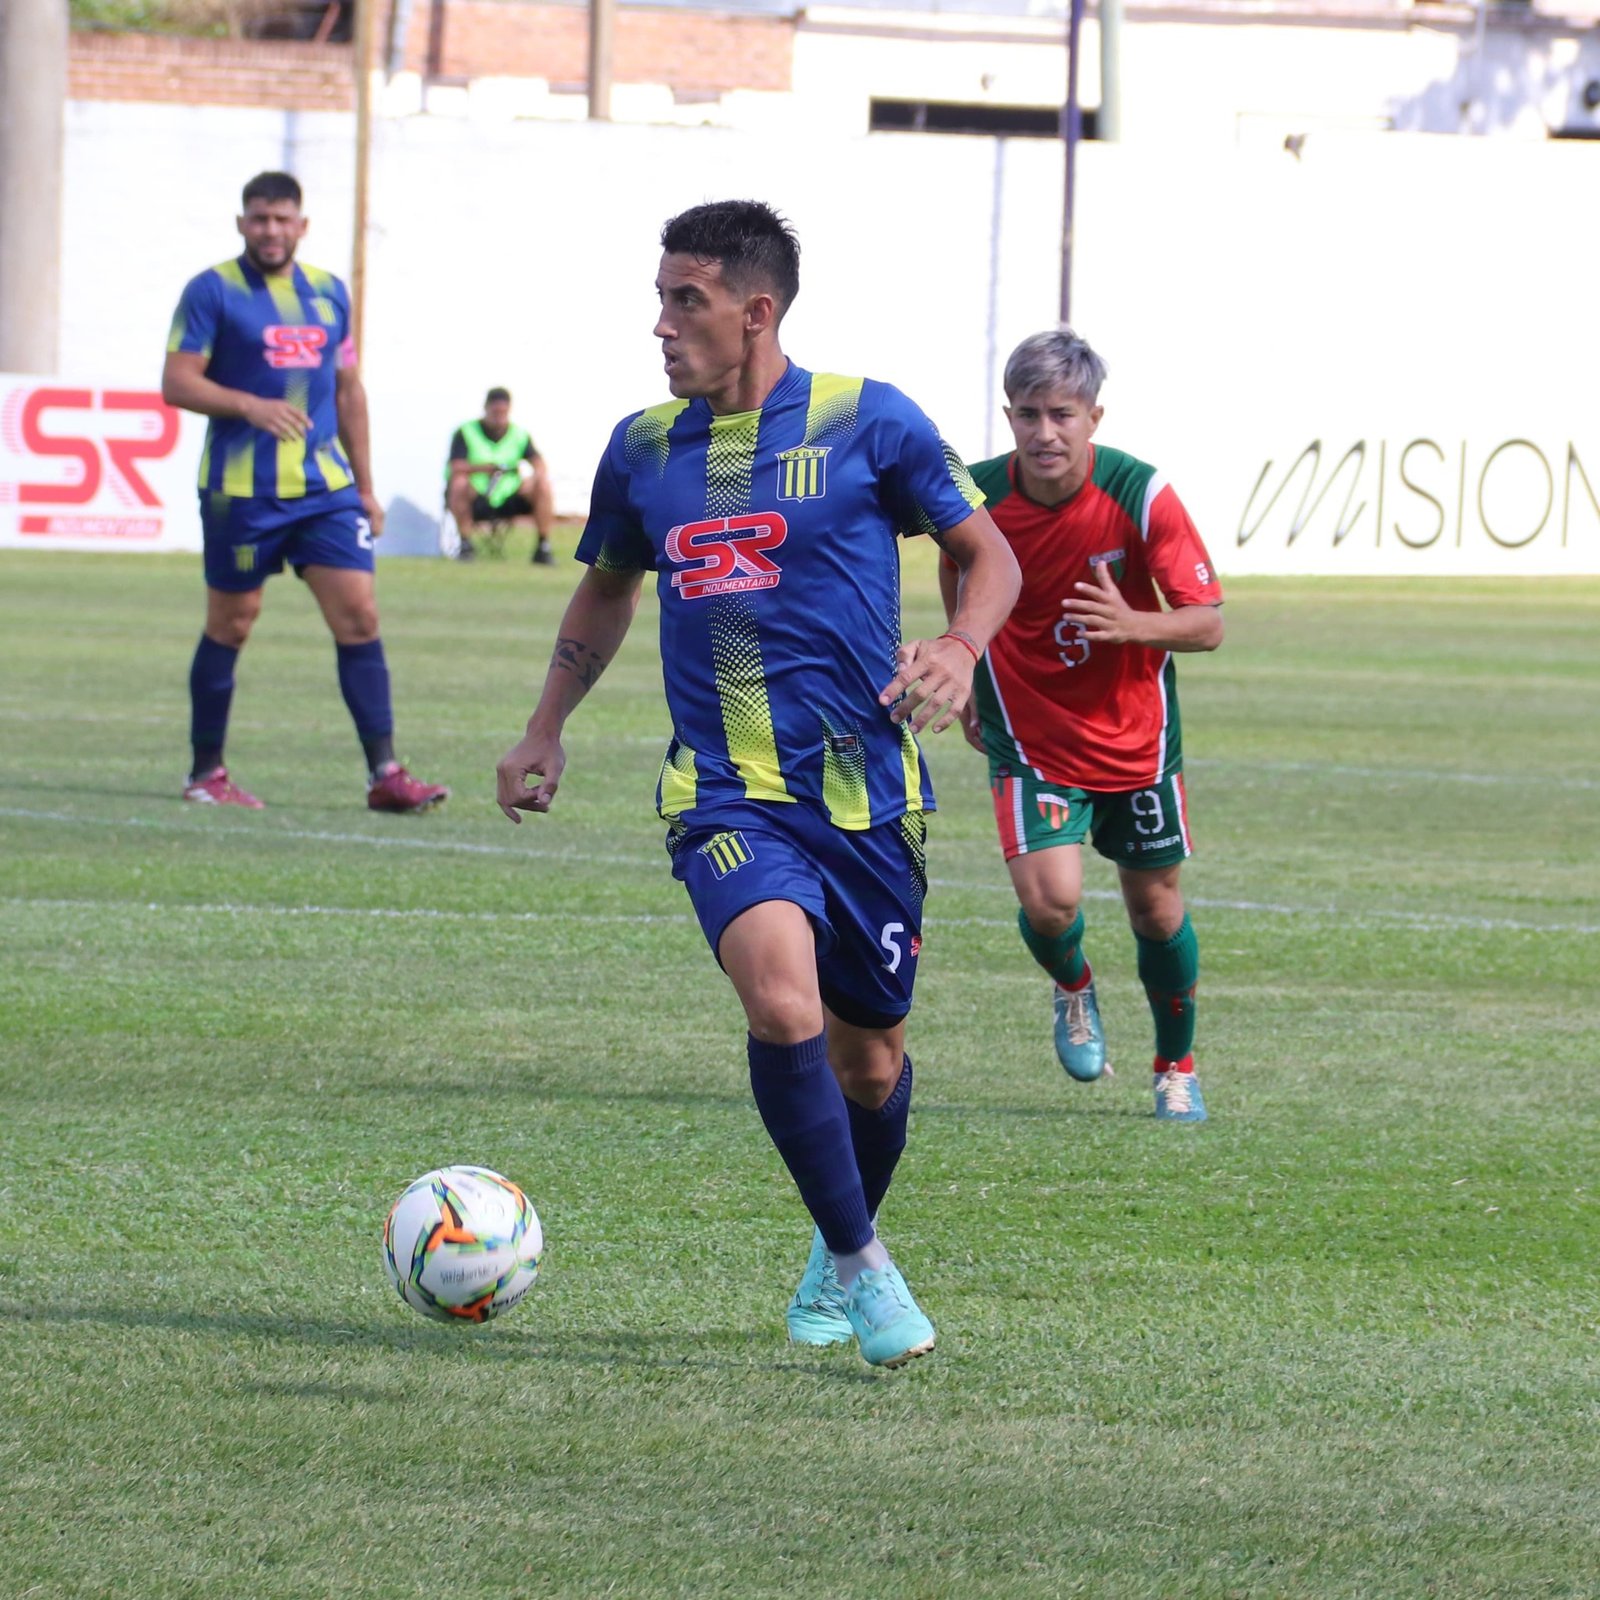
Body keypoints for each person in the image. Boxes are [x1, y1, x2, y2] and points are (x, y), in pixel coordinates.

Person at [495, 200, 1019, 1367]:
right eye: (659, 299)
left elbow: (987, 553)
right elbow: (607, 586)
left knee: (870, 1063)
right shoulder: (642, 449)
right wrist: (545, 726)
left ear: (756, 311)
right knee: (782, 1004)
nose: (661, 325)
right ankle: (866, 1266)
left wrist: (958, 646)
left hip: (868, 795)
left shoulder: (869, 420)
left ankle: (839, 1240)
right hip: (723, 791)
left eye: (685, 301)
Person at [942, 329, 1224, 1122]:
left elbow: (1207, 622)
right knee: (1051, 905)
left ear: (1093, 417)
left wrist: (1135, 624)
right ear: (1009, 415)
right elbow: (957, 563)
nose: (1045, 432)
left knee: (1156, 911)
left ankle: (1175, 1066)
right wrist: (967, 658)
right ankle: (1073, 987)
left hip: (1136, 740)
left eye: (1062, 414)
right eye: (1028, 414)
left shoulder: (1140, 492)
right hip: (1029, 735)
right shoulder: (974, 494)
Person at [162, 170, 449, 813]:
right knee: (232, 623)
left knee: (360, 616)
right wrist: (248, 404)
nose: (270, 230)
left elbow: (348, 391)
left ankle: (386, 774)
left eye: (281, 219)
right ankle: (205, 773)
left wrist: (366, 486)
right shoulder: (212, 290)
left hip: (326, 491)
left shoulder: (328, 292)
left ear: (302, 225)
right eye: (259, 219)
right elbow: (177, 382)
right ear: (242, 224)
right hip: (242, 493)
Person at [446, 387, 556, 564]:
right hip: (478, 493)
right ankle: (465, 543)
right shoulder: (466, 432)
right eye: (495, 412)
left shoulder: (518, 434)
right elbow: (456, 466)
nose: (499, 417)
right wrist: (485, 469)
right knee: (458, 483)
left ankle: (543, 546)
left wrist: (536, 476)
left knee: (543, 485)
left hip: (509, 493)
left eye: (503, 412)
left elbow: (538, 461)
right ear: (486, 409)